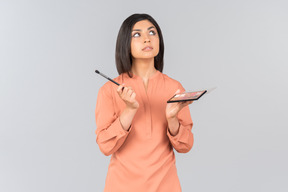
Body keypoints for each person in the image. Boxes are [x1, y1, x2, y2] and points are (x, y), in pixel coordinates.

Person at [95, 13, 194, 192]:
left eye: (152, 32)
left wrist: (172, 119)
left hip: (166, 185)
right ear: (125, 42)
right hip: (121, 186)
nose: (147, 39)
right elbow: (105, 146)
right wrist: (129, 110)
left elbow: (185, 146)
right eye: (137, 34)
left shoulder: (174, 87)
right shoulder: (110, 90)